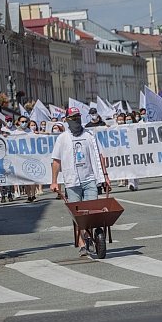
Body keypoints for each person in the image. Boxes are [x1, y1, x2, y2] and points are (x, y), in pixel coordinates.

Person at [49, 107, 111, 257]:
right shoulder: (62, 138)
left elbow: (100, 156)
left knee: (91, 213)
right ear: (67, 120)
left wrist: (105, 176)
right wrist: (54, 181)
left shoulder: (90, 135)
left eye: (78, 117)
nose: (76, 120)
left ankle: (90, 238)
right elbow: (56, 161)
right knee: (78, 215)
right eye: (73, 118)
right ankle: (83, 244)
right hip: (72, 182)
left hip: (89, 179)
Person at [10, 115, 38, 203]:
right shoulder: (14, 133)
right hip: (20, 158)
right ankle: (29, 196)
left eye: (26, 121)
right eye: (22, 122)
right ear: (18, 122)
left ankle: (33, 195)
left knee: (32, 178)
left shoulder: (30, 132)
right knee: (25, 179)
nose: (24, 123)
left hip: (31, 157)